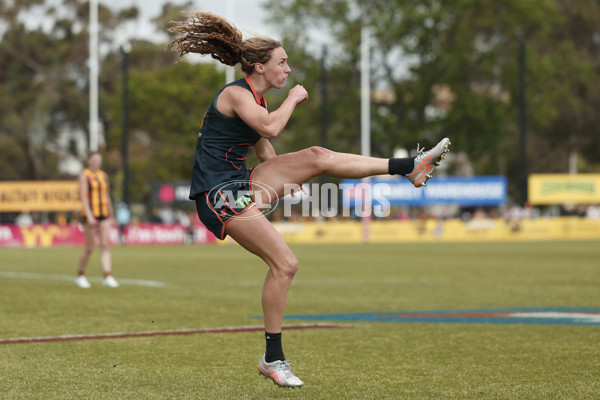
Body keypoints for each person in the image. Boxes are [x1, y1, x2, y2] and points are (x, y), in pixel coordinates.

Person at [168, 12, 450, 388]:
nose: (288, 69)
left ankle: (409, 166)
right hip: (216, 195)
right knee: (285, 264)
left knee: (317, 155)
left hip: (239, 184)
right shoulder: (237, 94)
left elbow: (263, 147)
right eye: (282, 62)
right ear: (259, 66)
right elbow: (268, 128)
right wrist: (294, 99)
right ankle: (273, 359)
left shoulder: (257, 101)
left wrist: (293, 177)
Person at [75, 152, 119, 289]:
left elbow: (106, 195)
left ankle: (107, 275)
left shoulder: (103, 175)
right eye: (94, 160)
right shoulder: (84, 175)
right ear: (89, 161)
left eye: (98, 160)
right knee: (89, 248)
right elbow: (82, 197)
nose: (96, 163)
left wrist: (112, 214)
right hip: (91, 215)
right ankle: (80, 275)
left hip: (104, 214)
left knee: (105, 245)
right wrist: (88, 215)